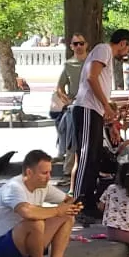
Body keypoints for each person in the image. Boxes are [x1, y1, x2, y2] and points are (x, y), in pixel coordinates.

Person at [0, 149, 82, 257]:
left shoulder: (43, 186)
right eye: (44, 173)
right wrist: (57, 210)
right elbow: (26, 212)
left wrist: (73, 206)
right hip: (0, 250)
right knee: (35, 222)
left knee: (67, 216)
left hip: (25, 244)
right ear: (29, 173)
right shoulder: (14, 187)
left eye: (49, 172)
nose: (49, 177)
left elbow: (68, 200)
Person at [71, 28, 129, 210]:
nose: (128, 52)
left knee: (94, 156)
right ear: (122, 43)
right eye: (128, 48)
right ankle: (80, 201)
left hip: (95, 111)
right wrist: (106, 105)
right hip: (87, 109)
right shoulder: (104, 49)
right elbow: (92, 77)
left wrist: (108, 115)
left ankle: (89, 200)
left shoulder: (105, 54)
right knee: (86, 154)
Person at [53, 34, 89, 184]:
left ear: (86, 44)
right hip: (75, 106)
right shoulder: (68, 65)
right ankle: (68, 173)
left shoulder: (92, 62)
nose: (79, 46)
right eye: (76, 44)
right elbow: (59, 87)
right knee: (71, 139)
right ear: (71, 46)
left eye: (81, 43)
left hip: (91, 104)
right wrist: (67, 100)